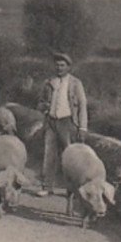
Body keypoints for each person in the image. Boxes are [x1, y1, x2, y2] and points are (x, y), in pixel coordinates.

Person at [35, 51, 88, 197]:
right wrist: (43, 106)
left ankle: (71, 189)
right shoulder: (49, 82)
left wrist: (82, 127)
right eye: (57, 65)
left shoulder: (76, 84)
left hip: (68, 122)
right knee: (48, 154)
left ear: (69, 67)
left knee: (70, 156)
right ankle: (47, 186)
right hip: (51, 122)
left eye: (62, 65)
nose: (59, 68)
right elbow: (39, 102)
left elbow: (83, 105)